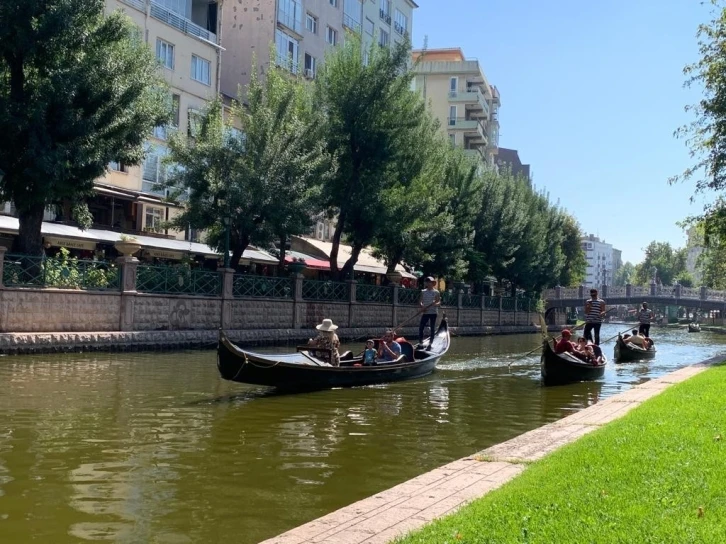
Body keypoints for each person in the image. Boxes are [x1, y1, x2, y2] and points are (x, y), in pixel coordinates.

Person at [418, 276, 442, 347]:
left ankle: (431, 342)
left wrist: (435, 304)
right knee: (421, 327)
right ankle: (420, 342)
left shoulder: (436, 292)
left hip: (433, 312)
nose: (429, 283)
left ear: (432, 283)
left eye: (430, 282)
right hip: (425, 312)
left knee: (432, 327)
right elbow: (420, 302)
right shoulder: (423, 292)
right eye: (428, 282)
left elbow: (439, 303)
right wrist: (422, 307)